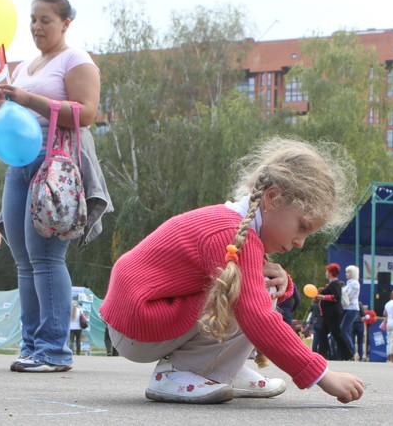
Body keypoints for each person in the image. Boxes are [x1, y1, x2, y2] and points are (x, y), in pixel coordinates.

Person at [100, 138, 365, 404]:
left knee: (261, 285)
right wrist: (322, 374)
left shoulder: (238, 228)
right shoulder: (231, 232)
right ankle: (179, 373)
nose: (300, 242)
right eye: (302, 227)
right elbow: (257, 316)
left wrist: (284, 282)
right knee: (253, 292)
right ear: (272, 198)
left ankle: (221, 369)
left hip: (140, 319)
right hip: (137, 325)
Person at [0, 0, 112, 373]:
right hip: (19, 164)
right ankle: (32, 346)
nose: (37, 27)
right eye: (33, 19)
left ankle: (54, 351)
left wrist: (27, 98)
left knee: (46, 256)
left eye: (46, 20)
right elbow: (21, 107)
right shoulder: (25, 66)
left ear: (66, 23)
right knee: (23, 260)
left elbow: (85, 113)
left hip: (54, 163)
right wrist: (4, 100)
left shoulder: (76, 59)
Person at [315, 264, 354, 361]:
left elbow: (337, 297)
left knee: (336, 333)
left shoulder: (334, 284)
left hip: (332, 313)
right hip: (327, 313)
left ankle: (348, 355)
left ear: (330, 273)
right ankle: (322, 355)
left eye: (327, 271)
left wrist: (323, 297)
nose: (325, 273)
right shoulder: (332, 284)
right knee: (322, 333)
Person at [340, 265, 361, 360]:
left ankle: (352, 351)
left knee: (343, 329)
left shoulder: (354, 284)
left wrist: (342, 293)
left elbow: (349, 296)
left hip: (351, 308)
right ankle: (349, 352)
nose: (346, 274)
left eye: (348, 272)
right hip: (348, 308)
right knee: (346, 330)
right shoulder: (349, 283)